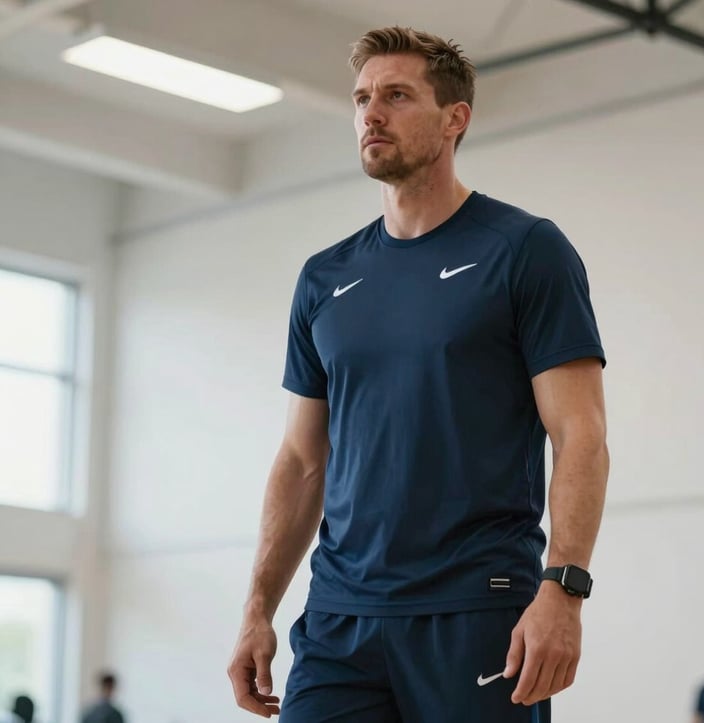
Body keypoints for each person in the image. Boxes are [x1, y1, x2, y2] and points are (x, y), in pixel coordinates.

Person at [228, 25, 609, 722]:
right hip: (340, 618)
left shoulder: (525, 250)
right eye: (362, 99)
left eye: (397, 96)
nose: (371, 114)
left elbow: (580, 433)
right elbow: (302, 460)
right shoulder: (324, 278)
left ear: (454, 118)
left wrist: (564, 588)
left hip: (477, 609)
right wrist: (258, 608)